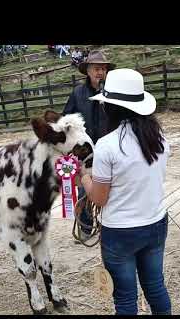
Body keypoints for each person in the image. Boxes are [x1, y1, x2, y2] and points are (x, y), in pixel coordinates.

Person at [77, 68, 171, 315]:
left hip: (120, 230)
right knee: (156, 287)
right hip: (155, 221)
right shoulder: (159, 137)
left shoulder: (107, 146)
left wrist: (84, 179)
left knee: (126, 298)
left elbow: (99, 198)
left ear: (111, 107)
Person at [63, 51, 115, 242]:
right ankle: (85, 227)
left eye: (104, 68)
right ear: (88, 71)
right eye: (97, 68)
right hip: (85, 151)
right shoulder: (78, 93)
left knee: (109, 188)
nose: (101, 72)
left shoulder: (112, 92)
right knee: (85, 189)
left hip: (109, 148)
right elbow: (66, 118)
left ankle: (107, 226)